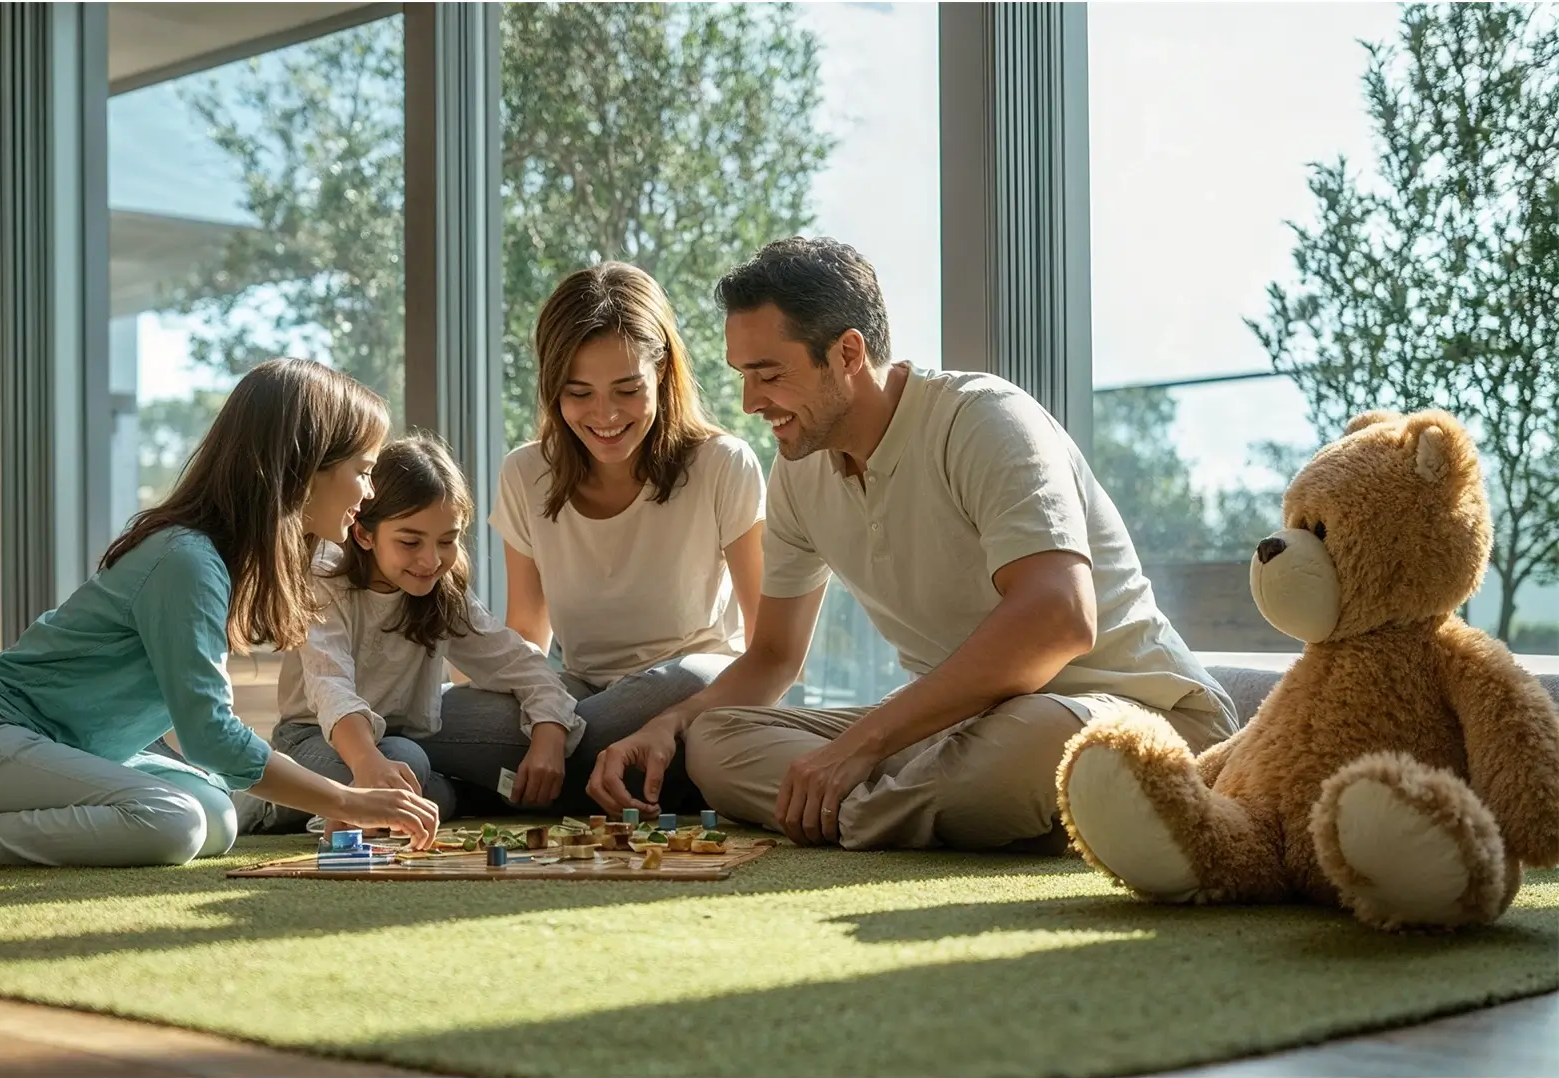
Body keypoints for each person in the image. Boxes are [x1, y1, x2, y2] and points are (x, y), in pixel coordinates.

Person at [587, 237, 1239, 851]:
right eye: (742, 375)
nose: (750, 402)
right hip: (954, 729)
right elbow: (773, 658)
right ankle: (979, 815)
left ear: (847, 353)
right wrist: (668, 726)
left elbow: (1060, 616)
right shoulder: (798, 473)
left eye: (769, 374)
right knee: (718, 740)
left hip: (1127, 716)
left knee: (1031, 737)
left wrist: (861, 747)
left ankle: (931, 809)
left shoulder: (984, 419)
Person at [0, 359, 440, 867]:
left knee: (216, 819)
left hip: (76, 748)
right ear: (304, 468)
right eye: (362, 471)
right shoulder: (187, 560)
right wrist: (346, 800)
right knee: (173, 823)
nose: (369, 491)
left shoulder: (227, 562)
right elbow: (210, 735)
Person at [420, 262, 766, 813]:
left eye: (627, 390)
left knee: (677, 680)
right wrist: (545, 723)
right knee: (427, 711)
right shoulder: (525, 473)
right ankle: (581, 776)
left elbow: (764, 649)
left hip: (686, 699)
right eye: (578, 393)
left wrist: (553, 733)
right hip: (577, 692)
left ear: (662, 374)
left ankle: (503, 783)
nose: (605, 415)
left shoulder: (723, 464)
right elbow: (527, 636)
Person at [234, 435, 582, 831]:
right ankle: (266, 800)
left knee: (418, 765)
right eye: (410, 541)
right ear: (364, 534)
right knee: (409, 766)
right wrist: (368, 763)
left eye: (447, 540)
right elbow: (331, 687)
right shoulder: (325, 578)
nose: (430, 560)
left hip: (399, 740)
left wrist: (549, 735)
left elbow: (519, 662)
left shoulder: (442, 590)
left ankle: (397, 796)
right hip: (312, 739)